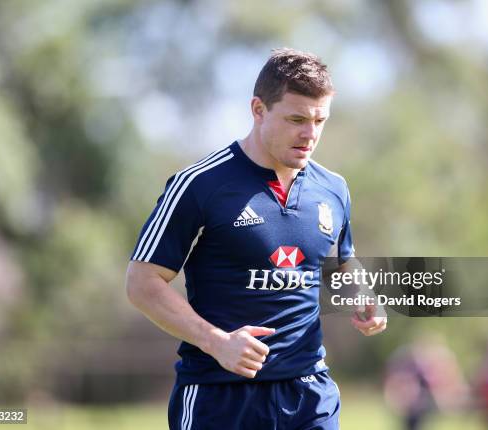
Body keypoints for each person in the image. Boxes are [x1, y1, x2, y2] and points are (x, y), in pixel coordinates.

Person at [125, 48, 387, 430]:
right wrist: (217, 342)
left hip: (310, 393)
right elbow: (141, 283)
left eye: (319, 120)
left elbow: (342, 261)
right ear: (258, 110)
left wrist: (363, 298)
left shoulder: (333, 189)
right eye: (297, 119)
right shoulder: (199, 185)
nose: (310, 134)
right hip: (221, 397)